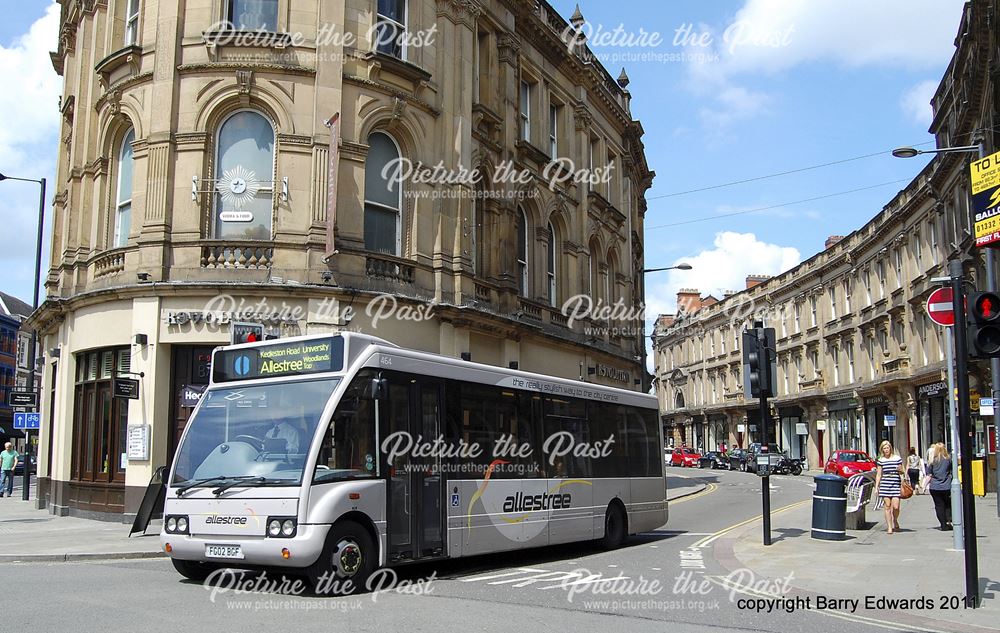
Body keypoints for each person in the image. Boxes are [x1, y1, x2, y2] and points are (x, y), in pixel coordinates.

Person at [874, 440, 904, 534]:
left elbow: (902, 471)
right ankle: (889, 527)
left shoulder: (897, 458)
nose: (886, 450)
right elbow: (879, 474)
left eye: (887, 448)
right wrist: (877, 486)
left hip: (895, 483)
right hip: (885, 483)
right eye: (884, 448)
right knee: (887, 506)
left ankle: (895, 520)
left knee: (896, 506)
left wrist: (901, 475)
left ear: (890, 448)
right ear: (882, 450)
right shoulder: (881, 460)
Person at [926, 442, 953, 531]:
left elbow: (929, 473)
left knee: (939, 505)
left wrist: (924, 485)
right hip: (946, 486)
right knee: (948, 504)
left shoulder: (933, 460)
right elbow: (951, 471)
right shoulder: (948, 459)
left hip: (935, 487)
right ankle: (948, 520)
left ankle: (943, 524)